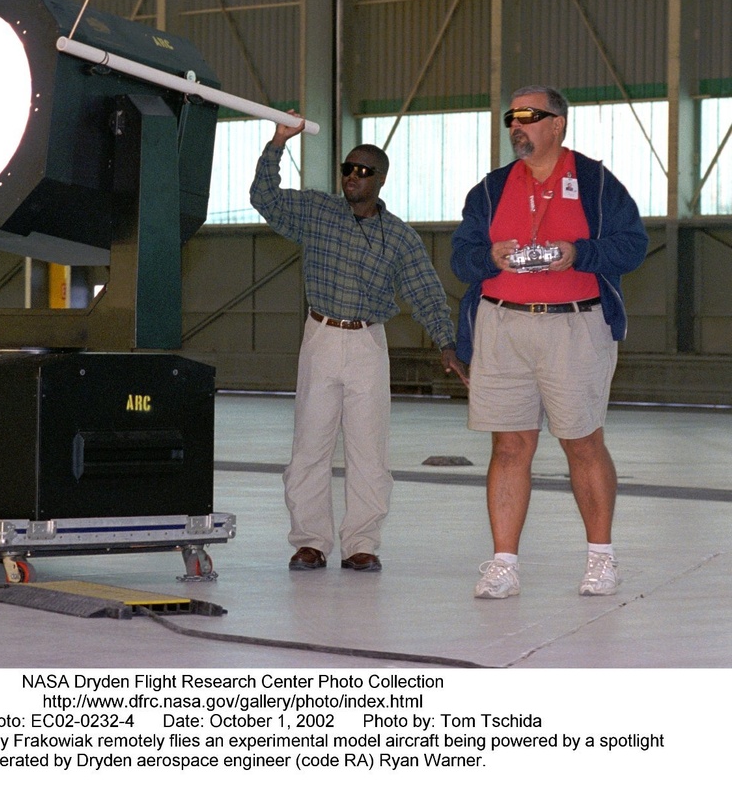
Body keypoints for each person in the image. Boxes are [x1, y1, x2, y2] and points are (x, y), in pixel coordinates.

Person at [450, 86, 647, 599]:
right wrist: (490, 257)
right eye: (510, 118)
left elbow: (633, 245)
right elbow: (461, 257)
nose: (516, 125)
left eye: (528, 116)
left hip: (574, 327)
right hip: (502, 326)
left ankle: (601, 559)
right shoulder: (490, 189)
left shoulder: (597, 183)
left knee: (582, 443)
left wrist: (579, 253)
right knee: (509, 446)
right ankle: (503, 565)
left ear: (557, 123)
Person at [251, 113, 467, 573]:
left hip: (368, 343)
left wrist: (447, 344)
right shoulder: (317, 213)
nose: (352, 176)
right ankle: (310, 541)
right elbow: (264, 198)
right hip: (320, 337)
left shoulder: (400, 238)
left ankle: (361, 544)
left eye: (363, 170)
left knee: (369, 451)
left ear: (380, 180)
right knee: (310, 447)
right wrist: (278, 143)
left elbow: (426, 293)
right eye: (347, 168)